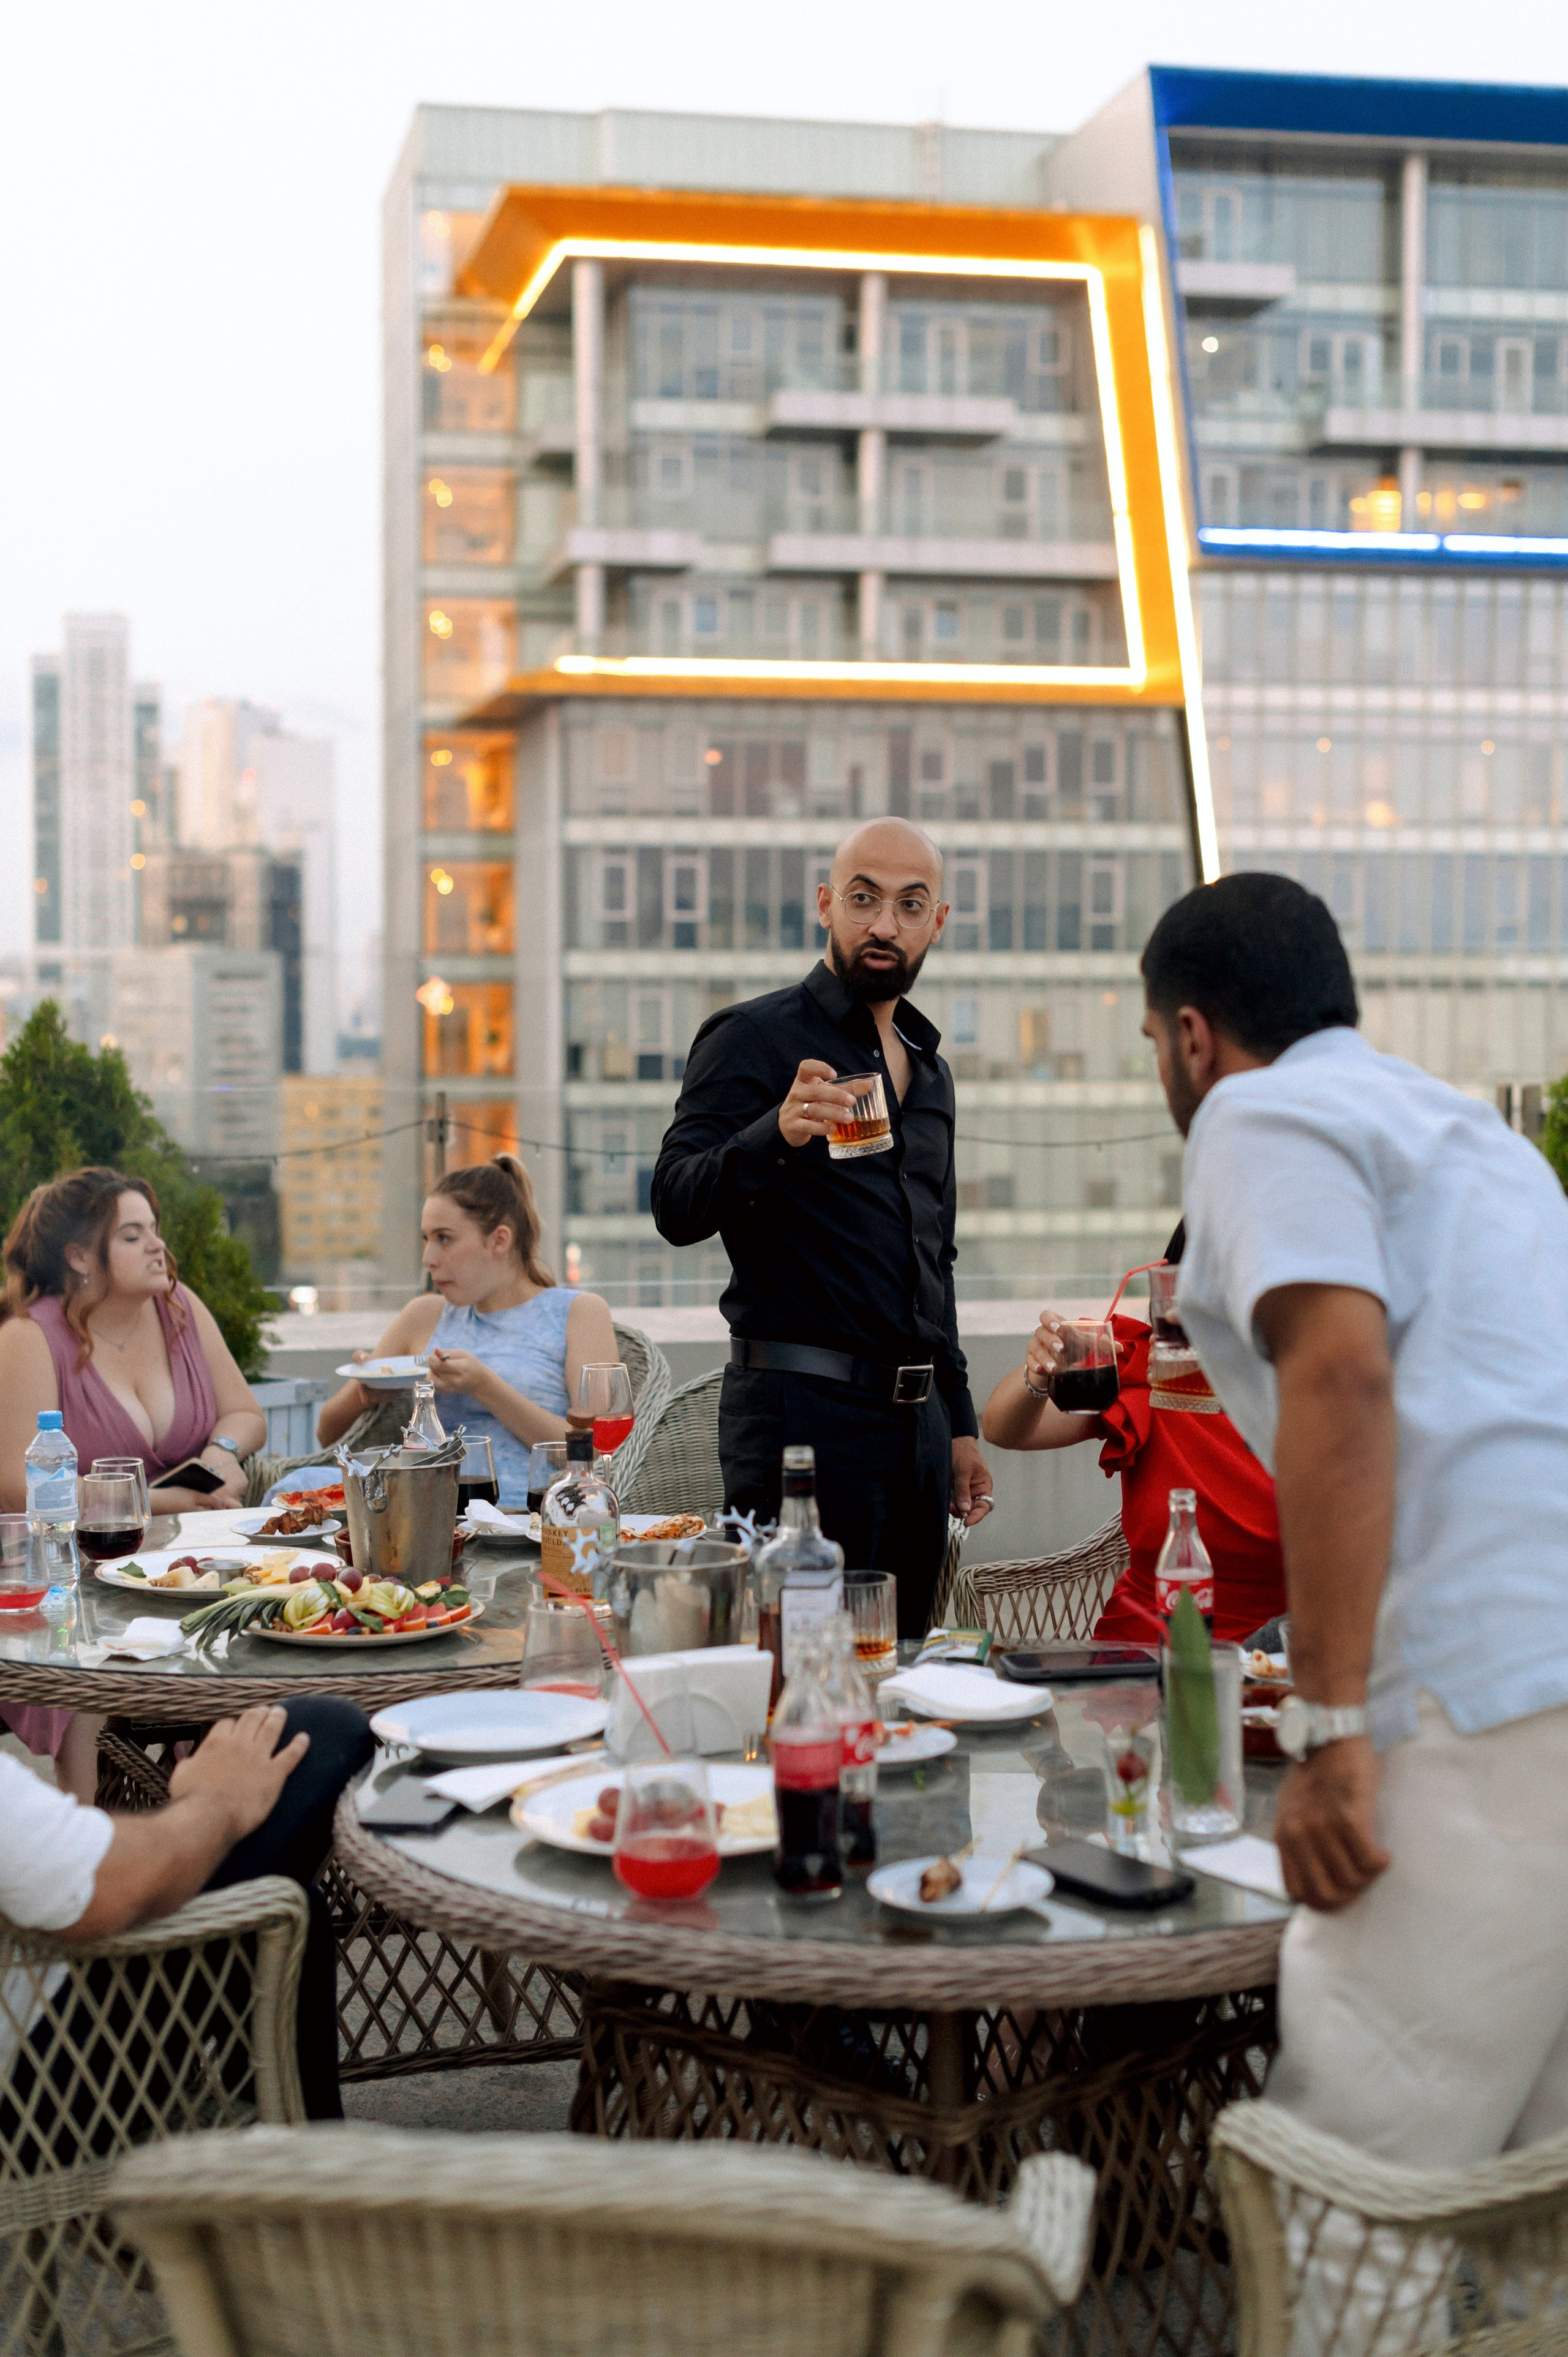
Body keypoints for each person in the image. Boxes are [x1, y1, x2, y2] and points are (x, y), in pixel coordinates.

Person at [1142, 869, 1568, 2178]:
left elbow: (1338, 1376)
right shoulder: (1475, 1141)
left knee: (1339, 2206)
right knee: (1531, 2213)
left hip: (1481, 1696)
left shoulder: (1256, 1109)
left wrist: (1328, 1730)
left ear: (1194, 1037)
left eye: (1153, 1042)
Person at [651, 818, 993, 1636]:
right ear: (825, 905)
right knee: (796, 1667)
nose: (885, 925)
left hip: (917, 1432)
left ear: (938, 922)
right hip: (800, 1419)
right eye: (864, 899)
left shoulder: (931, 1072)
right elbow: (674, 1204)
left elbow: (933, 1259)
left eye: (910, 905)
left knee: (899, 1668)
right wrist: (774, 1132)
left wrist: (960, 1423)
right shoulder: (754, 1036)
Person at [0, 1169, 270, 1798]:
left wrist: (223, 1453)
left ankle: (226, 1802)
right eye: (132, 1235)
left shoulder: (178, 1307)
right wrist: (155, 1501)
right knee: (87, 1658)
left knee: (264, 1627)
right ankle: (91, 1825)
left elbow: (245, 1414)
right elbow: (21, 1487)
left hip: (183, 1557)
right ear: (79, 1256)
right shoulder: (28, 1337)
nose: (157, 1246)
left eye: (154, 1229)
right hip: (60, 1567)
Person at [0, 1694, 372, 2121]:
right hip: (37, 2087)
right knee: (323, 1729)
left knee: (292, 1908)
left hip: (45, 2020)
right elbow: (107, 1889)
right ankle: (304, 2147)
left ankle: (292, 2137)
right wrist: (213, 1801)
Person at [981, 1225, 1285, 1644]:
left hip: (1280, 1655)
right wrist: (1039, 1374)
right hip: (1140, 1646)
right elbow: (1003, 1429)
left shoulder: (1318, 1397)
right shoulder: (1145, 1367)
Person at [315, 1155, 620, 1509]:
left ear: (499, 1241)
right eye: (426, 1239)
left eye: (444, 1238)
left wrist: (485, 1387)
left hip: (531, 1513)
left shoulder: (578, 1312)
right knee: (297, 1485)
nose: (429, 1258)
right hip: (427, 1512)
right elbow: (326, 1433)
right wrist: (367, 1394)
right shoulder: (425, 1314)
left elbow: (595, 1451)